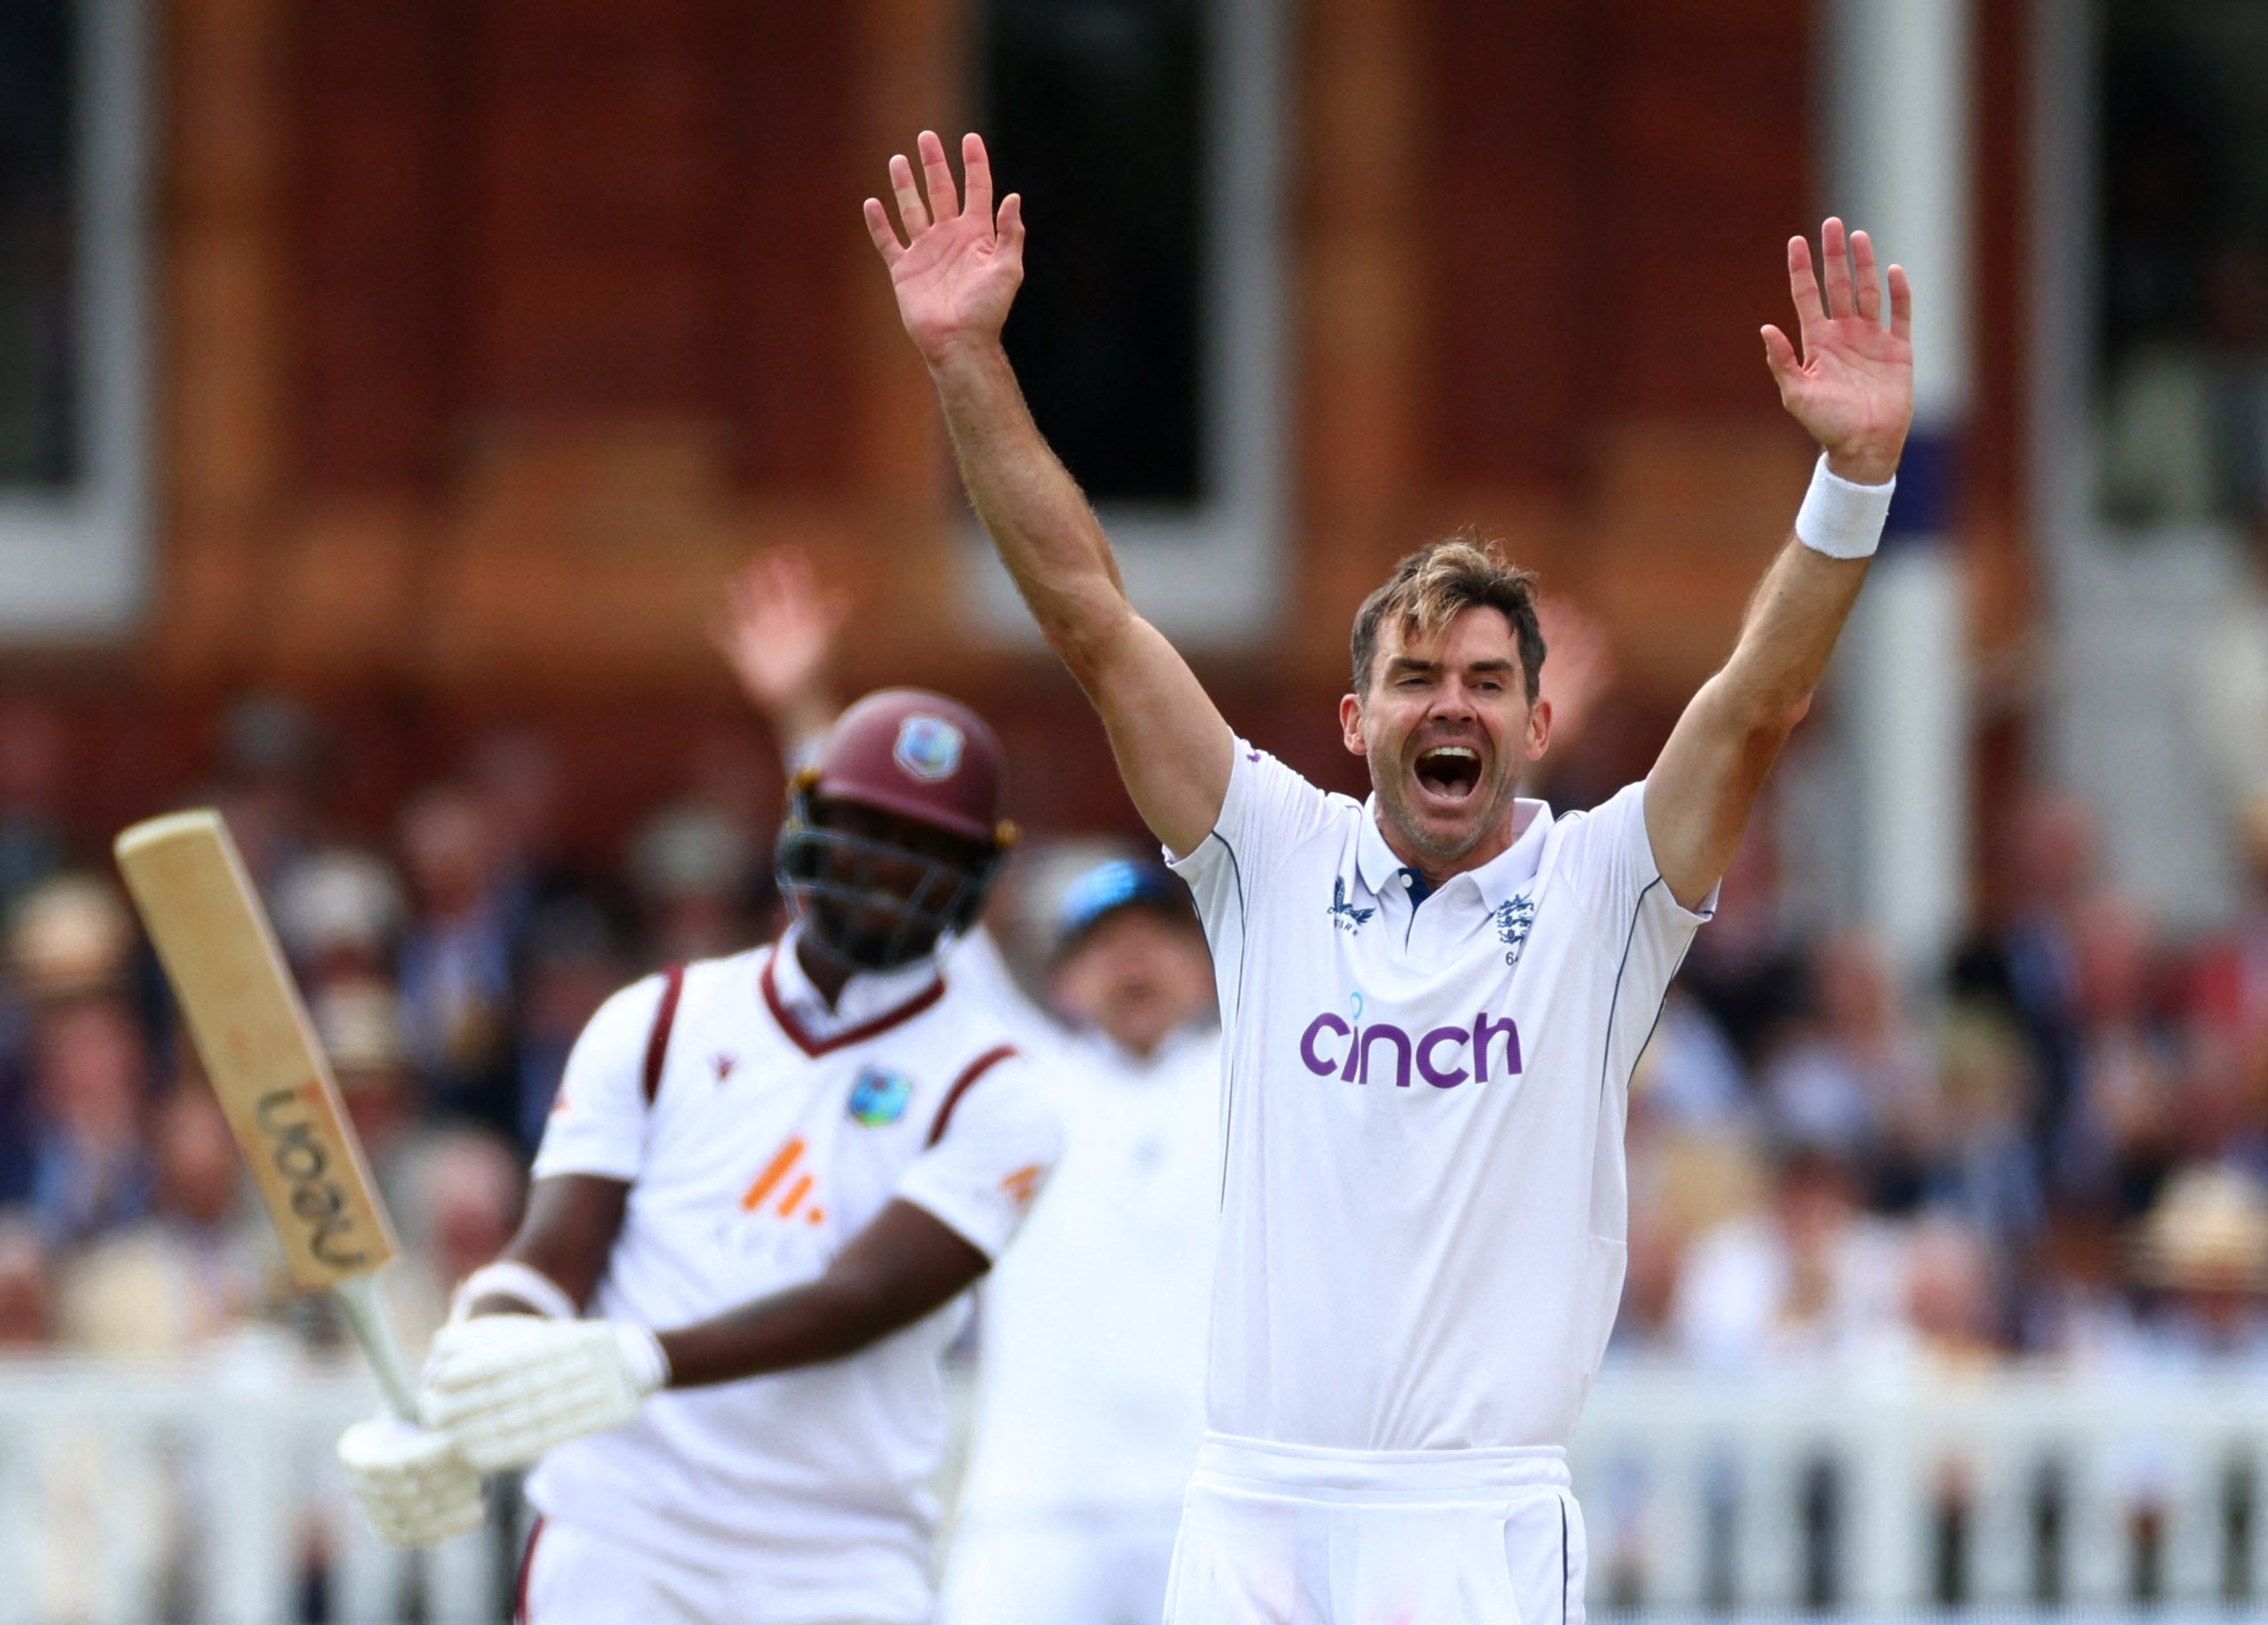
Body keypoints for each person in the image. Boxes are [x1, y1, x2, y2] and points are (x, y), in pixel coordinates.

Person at [864, 129, 1913, 1621]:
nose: (1450, 704)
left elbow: (1753, 703)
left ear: (1536, 724)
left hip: (1468, 1520)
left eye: (1486, 680)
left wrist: (1850, 484)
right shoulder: (1265, 853)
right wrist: (965, 361)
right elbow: (1091, 617)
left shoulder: (1600, 885)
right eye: (1414, 676)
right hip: (1251, 1505)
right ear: (1355, 722)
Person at [338, 690, 1063, 1625]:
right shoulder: (659, 1017)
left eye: (926, 846)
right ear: (809, 821)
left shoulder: (1004, 1092)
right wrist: (475, 1358)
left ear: (976, 874)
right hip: (623, 1526)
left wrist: (642, 1360)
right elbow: (553, 1255)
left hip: (839, 1553)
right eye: (866, 829)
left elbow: (858, 1301)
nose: (887, 867)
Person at [939, 859, 1220, 1625]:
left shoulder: (1256, 1086)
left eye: (1158, 940)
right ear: (1064, 982)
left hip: (1215, 1508)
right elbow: (940, 945)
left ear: (1204, 970)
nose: (1133, 961)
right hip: (1034, 1509)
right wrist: (809, 740)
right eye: (1104, 944)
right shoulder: (1020, 1088)